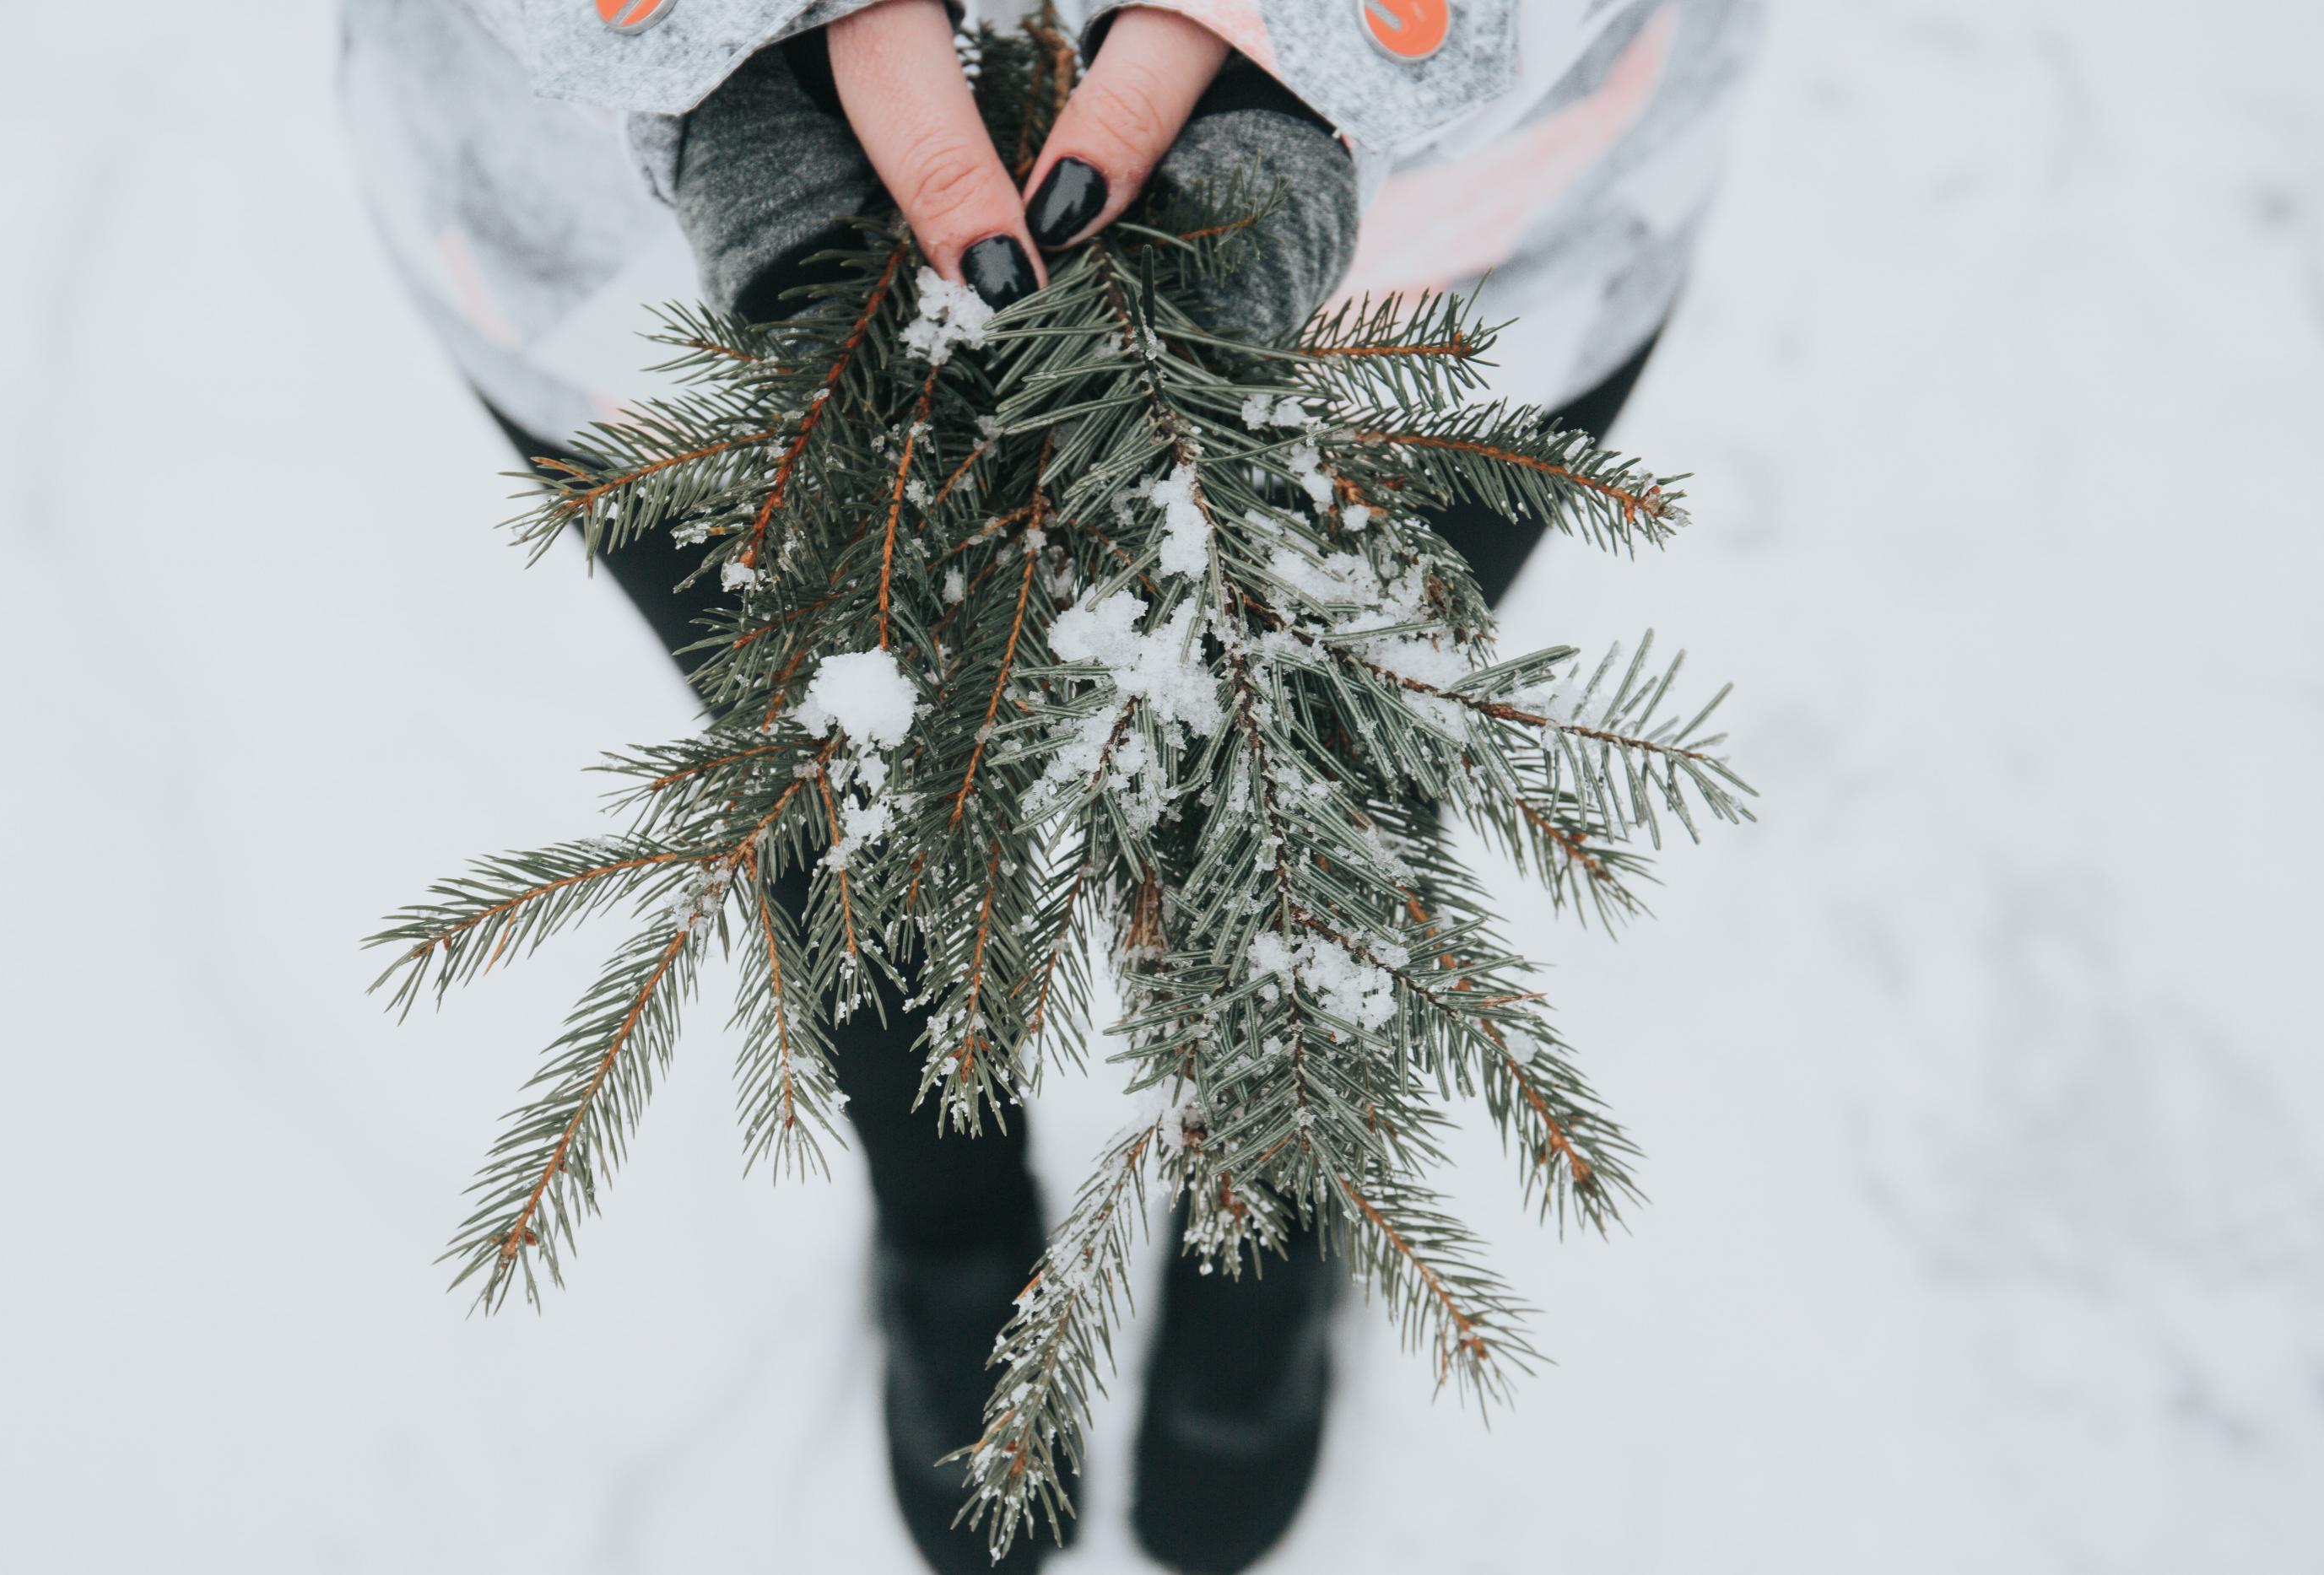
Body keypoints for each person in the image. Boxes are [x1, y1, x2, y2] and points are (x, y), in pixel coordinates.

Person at [339, 2, 1759, 1570]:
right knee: (847, 758)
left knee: (1320, 769)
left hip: (1466, 234)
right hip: (616, 249)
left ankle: (1258, 1199)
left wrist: (1351, 30)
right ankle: (947, 1224)